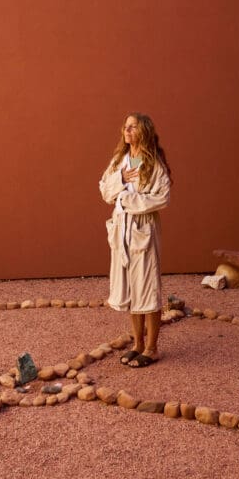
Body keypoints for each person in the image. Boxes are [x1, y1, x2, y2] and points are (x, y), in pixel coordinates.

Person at [98, 113, 172, 368]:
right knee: (132, 288)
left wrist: (128, 201)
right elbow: (105, 190)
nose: (126, 130)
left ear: (144, 132)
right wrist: (120, 180)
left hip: (143, 231)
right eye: (125, 126)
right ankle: (138, 344)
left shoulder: (154, 164)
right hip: (122, 230)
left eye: (133, 127)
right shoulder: (120, 160)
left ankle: (152, 348)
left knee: (148, 288)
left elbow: (162, 197)